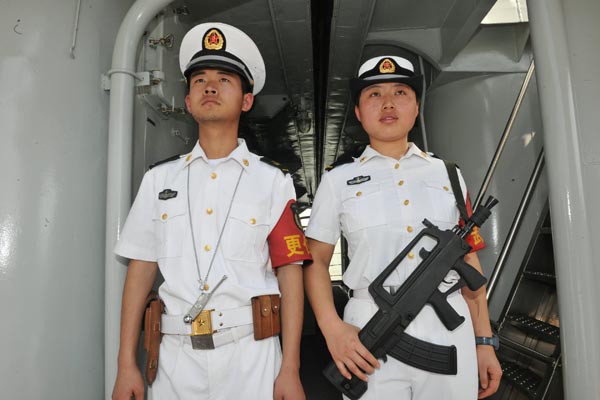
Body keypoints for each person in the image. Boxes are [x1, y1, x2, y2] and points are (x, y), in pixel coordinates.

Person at [112, 22, 311, 400]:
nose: (210, 87)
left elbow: (290, 274)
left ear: (246, 101)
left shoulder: (272, 181)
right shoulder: (159, 180)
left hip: (250, 357)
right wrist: (126, 365)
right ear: (187, 101)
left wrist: (291, 368)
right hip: (174, 362)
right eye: (199, 80)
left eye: (224, 79)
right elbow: (140, 271)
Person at [304, 55, 502, 399]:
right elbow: (316, 260)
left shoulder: (448, 174)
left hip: (448, 326)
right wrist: (332, 328)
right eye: (374, 95)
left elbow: (469, 261)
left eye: (400, 92)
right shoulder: (338, 181)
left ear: (416, 108)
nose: (388, 103)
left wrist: (483, 341)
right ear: (358, 112)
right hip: (368, 328)